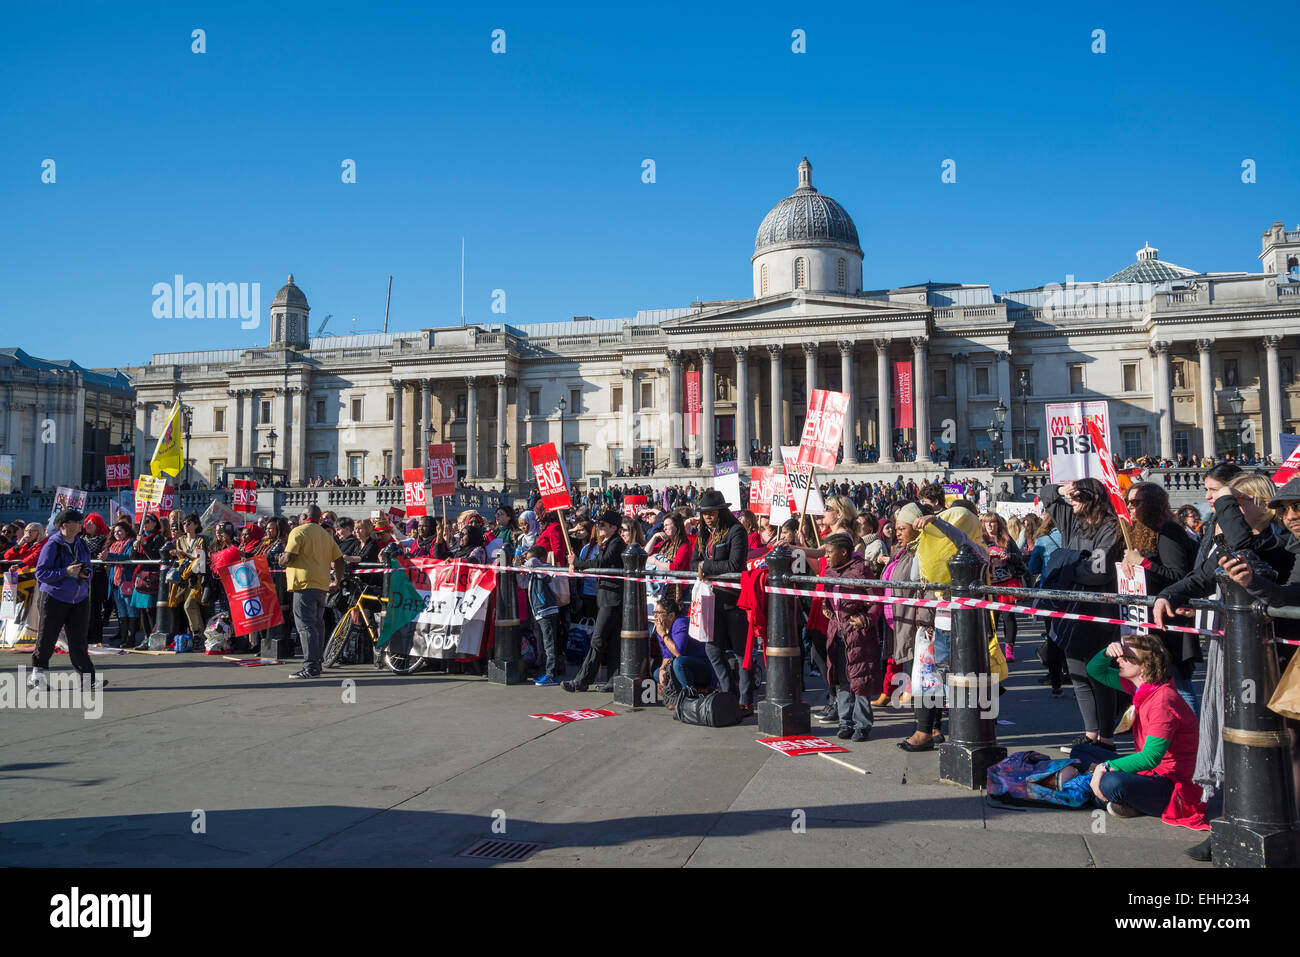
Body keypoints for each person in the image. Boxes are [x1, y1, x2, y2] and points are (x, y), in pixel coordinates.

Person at [1070, 634, 1208, 829]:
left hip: (1171, 783)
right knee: (1081, 751)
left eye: (1126, 656)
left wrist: (1106, 766)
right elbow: (1094, 670)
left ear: (1144, 665)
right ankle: (1123, 799)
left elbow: (1151, 758)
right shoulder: (1140, 687)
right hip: (1150, 772)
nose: (1119, 659)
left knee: (1112, 782)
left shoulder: (1164, 701)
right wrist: (1107, 651)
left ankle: (1124, 797)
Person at [1039, 480, 1124, 751]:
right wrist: (1062, 491)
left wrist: (1065, 565)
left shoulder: (1110, 527)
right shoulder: (1072, 520)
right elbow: (1046, 496)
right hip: (1071, 607)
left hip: (1097, 609)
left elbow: (1098, 571)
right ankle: (1090, 733)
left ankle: (1107, 738)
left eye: (1077, 498)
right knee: (1076, 672)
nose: (1071, 503)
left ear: (1090, 499)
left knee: (1097, 673)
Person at [898, 505, 987, 751]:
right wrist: (926, 542)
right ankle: (930, 731)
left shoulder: (979, 551)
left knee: (964, 684)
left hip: (969, 628)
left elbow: (964, 543)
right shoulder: (941, 545)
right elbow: (916, 576)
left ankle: (966, 735)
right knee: (935, 681)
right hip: (940, 624)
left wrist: (939, 524)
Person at [1121, 482, 1198, 710]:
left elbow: (1179, 576)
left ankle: (1193, 740)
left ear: (1152, 504)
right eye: (1128, 502)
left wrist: (1142, 563)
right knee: (1158, 684)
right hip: (1151, 620)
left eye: (1136, 502)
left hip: (1171, 620)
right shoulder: (1142, 532)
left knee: (1180, 686)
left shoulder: (1168, 531)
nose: (1130, 507)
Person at [690, 489, 753, 711]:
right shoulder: (704, 533)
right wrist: (701, 566)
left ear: (721, 511)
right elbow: (692, 562)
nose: (708, 516)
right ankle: (729, 693)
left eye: (712, 512)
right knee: (712, 649)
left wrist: (706, 567)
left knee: (740, 651)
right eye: (704, 513)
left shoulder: (736, 530)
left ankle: (745, 700)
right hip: (711, 600)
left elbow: (735, 565)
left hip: (734, 599)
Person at [28, 509, 103, 691]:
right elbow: (41, 573)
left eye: (80, 521)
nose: (81, 524)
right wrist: (65, 572)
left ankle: (88, 679)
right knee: (47, 637)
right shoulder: (52, 545)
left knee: (78, 639)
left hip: (79, 598)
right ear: (64, 525)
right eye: (76, 521)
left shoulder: (81, 544)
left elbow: (88, 566)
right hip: (54, 597)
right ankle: (36, 675)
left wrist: (87, 574)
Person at [278, 505, 348, 679]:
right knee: (317, 625)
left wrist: (281, 560)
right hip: (321, 585)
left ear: (304, 516)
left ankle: (311, 667)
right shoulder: (326, 535)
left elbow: (289, 557)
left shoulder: (298, 531)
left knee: (306, 626)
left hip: (303, 584)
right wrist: (337, 581)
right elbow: (340, 560)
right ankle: (317, 663)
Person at [823, 532, 880, 741]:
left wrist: (864, 620)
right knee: (841, 679)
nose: (826, 556)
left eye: (829, 552)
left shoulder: (861, 571)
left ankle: (862, 725)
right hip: (837, 632)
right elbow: (828, 597)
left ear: (844, 552)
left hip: (858, 635)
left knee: (860, 678)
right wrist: (826, 607)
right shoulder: (829, 571)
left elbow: (877, 600)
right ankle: (845, 721)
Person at [565, 509, 625, 693]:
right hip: (608, 596)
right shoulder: (609, 542)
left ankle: (583, 680)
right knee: (613, 641)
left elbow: (601, 563)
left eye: (603, 525)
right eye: (598, 524)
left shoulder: (616, 543)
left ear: (613, 527)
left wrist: (578, 562)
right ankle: (614, 680)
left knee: (597, 640)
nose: (598, 527)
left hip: (613, 597)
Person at [878, 503, 930, 706]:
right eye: (896, 529)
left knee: (914, 652)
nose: (897, 533)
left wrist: (920, 612)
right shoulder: (899, 551)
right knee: (903, 652)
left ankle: (914, 692)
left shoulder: (921, 550)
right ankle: (903, 689)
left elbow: (922, 585)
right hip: (896, 613)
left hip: (913, 613)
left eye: (902, 529)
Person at [981, 511, 1027, 663]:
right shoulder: (981, 540)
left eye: (992, 522)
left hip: (1006, 583)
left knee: (1008, 617)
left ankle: (1009, 650)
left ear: (998, 524)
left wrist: (1009, 557)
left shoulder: (1006, 540)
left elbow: (1019, 558)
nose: (989, 525)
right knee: (991, 618)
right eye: (987, 522)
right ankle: (992, 648)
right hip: (989, 584)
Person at [522, 545, 564, 685]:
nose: (527, 561)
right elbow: (521, 584)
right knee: (545, 644)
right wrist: (518, 563)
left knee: (549, 644)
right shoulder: (535, 570)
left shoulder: (544, 569)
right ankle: (546, 671)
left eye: (530, 558)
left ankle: (551, 674)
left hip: (547, 610)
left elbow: (533, 563)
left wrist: (527, 561)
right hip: (540, 611)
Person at [653, 595, 711, 696]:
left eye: (659, 613)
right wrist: (662, 669)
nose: (655, 616)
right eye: (655, 612)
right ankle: (679, 694)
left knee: (678, 662)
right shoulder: (662, 628)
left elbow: (679, 652)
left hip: (702, 666)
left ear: (671, 615)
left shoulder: (680, 623)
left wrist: (663, 635)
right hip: (683, 667)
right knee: (657, 673)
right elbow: (667, 655)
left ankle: (689, 695)